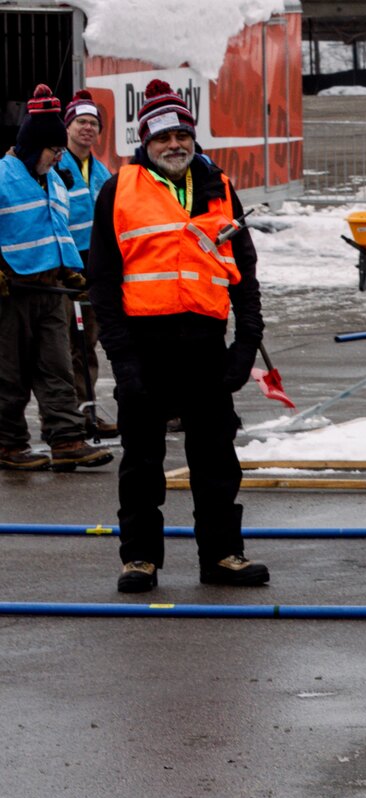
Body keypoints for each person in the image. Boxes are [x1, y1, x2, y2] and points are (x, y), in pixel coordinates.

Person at [88, 78, 267, 593]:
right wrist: (122, 360)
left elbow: (245, 277)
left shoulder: (220, 188)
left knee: (215, 458)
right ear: (145, 143)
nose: (173, 145)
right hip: (145, 346)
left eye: (181, 135)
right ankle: (140, 559)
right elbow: (103, 281)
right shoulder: (118, 189)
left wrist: (245, 345)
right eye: (162, 137)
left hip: (206, 347)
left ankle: (223, 557)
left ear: (193, 137)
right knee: (142, 462)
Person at [0, 82, 101, 473]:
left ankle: (67, 441)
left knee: (57, 368)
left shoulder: (56, 179)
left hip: (49, 291)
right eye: (53, 149)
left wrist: (69, 270)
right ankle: (8, 444)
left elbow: (59, 231)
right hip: (11, 293)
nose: (59, 155)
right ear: (31, 145)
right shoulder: (4, 177)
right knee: (9, 375)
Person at [57, 89, 116, 439]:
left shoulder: (101, 170)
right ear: (68, 126)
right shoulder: (55, 166)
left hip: (95, 265)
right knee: (64, 346)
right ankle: (67, 418)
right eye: (81, 121)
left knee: (86, 343)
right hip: (66, 266)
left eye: (93, 123)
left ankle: (87, 413)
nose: (88, 128)